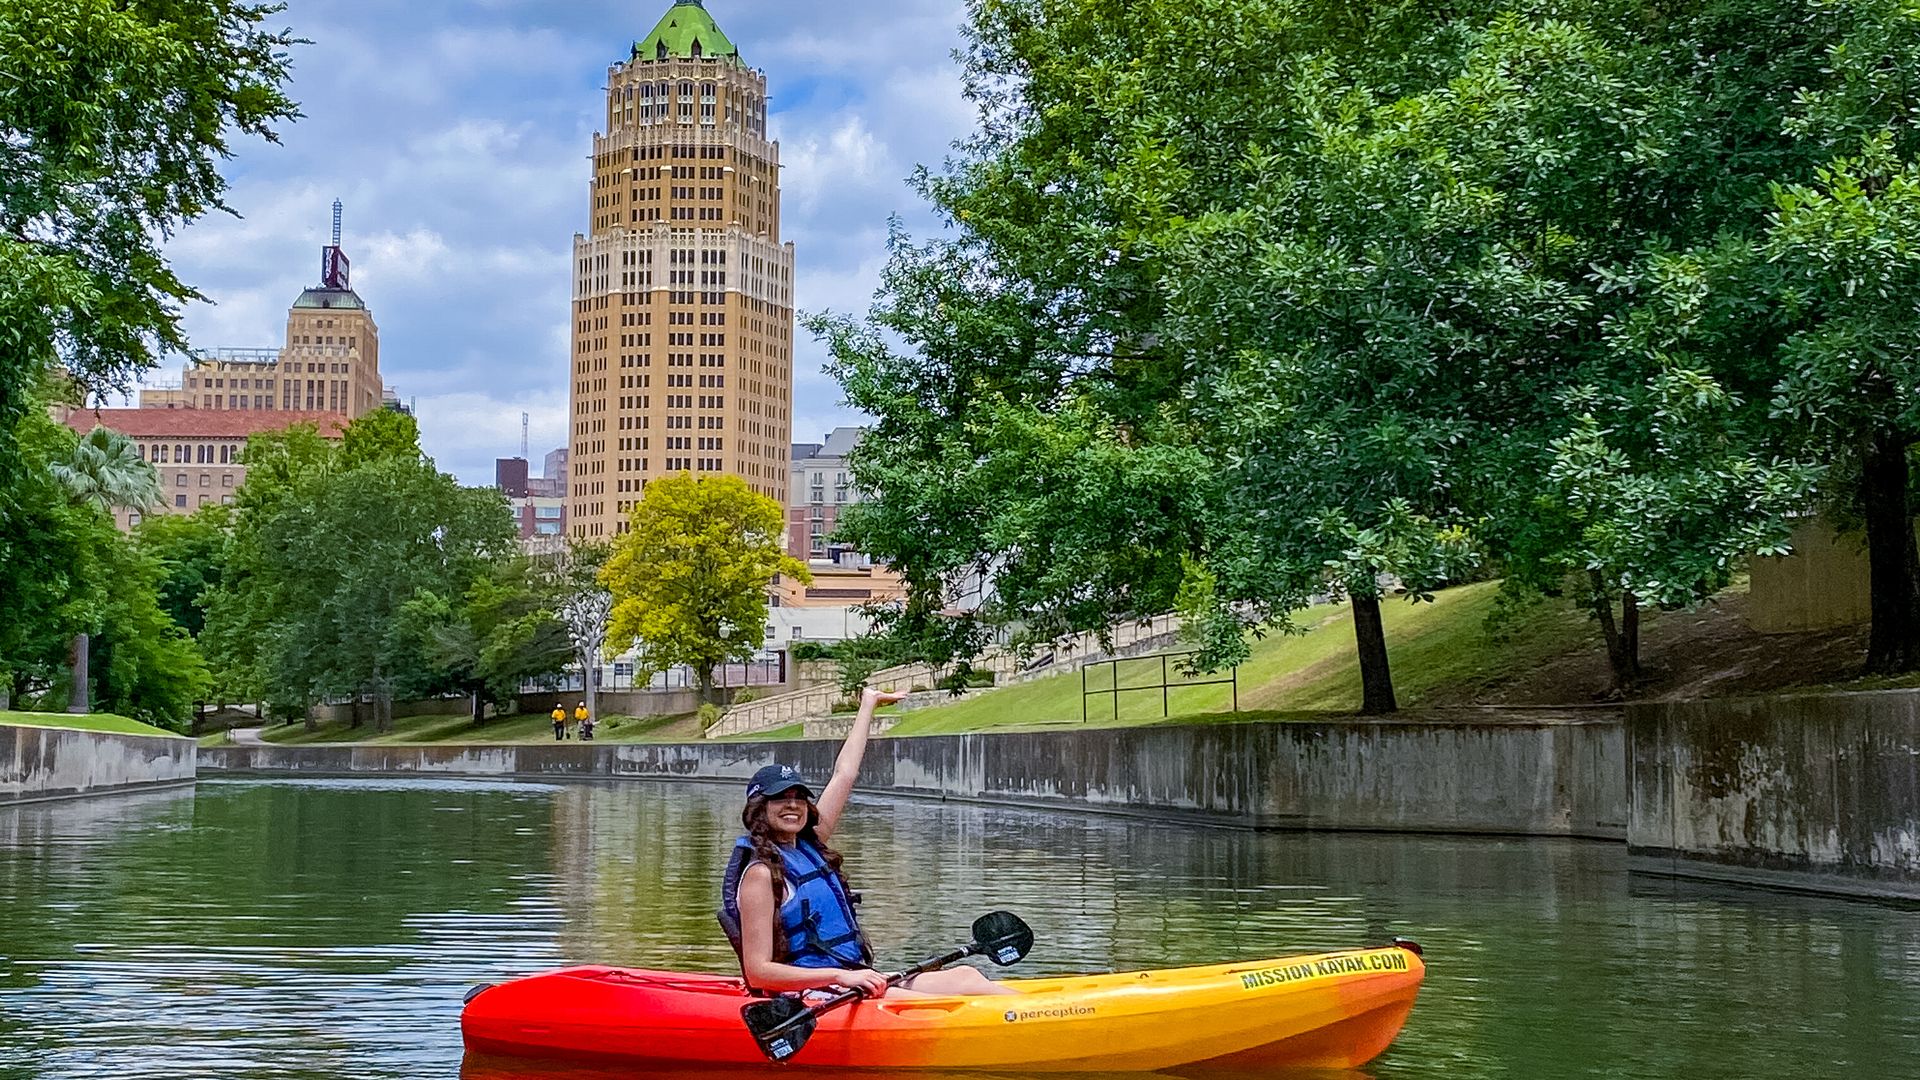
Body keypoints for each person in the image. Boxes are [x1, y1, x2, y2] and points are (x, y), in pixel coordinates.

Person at [719, 687, 1018, 999]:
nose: (792, 805)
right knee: (926, 1004)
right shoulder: (760, 875)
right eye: (780, 798)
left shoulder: (810, 845)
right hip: (812, 991)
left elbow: (844, 775)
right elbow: (758, 970)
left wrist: (868, 704)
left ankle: (1039, 1014)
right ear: (759, 809)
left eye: (798, 798)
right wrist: (838, 976)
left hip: (849, 977)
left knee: (965, 977)